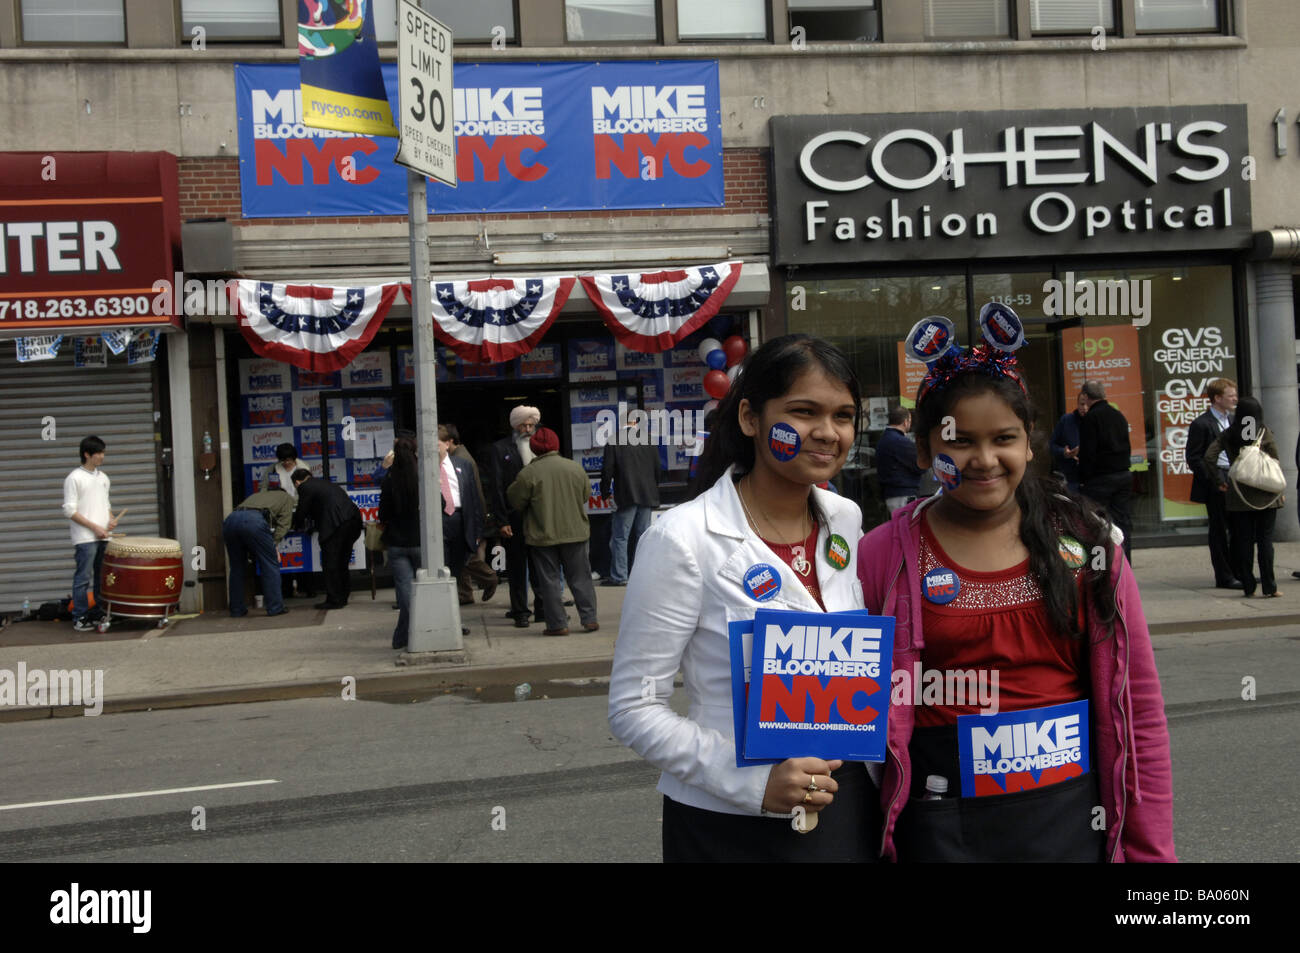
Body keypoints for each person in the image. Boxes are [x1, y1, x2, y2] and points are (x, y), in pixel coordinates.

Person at [857, 339, 1174, 862]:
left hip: (1069, 823)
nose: (984, 460)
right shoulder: (882, 555)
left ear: (1029, 444)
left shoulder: (1089, 544)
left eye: (1004, 438)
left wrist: (1150, 855)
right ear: (922, 450)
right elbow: (853, 713)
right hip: (938, 828)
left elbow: (1137, 712)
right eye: (959, 442)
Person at [608, 335, 876, 862]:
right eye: (803, 412)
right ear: (751, 418)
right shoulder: (681, 538)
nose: (827, 433)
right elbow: (634, 707)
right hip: (731, 824)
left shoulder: (846, 518)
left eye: (843, 416)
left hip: (847, 801)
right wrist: (753, 780)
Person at [507, 427, 599, 636]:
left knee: (549, 581)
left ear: (534, 448)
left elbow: (515, 500)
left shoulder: (528, 473)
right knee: (581, 578)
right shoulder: (575, 468)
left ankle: (558, 624)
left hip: (543, 535)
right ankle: (589, 618)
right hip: (575, 532)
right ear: (556, 446)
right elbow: (585, 496)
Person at [1203, 396, 1284, 598]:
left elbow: (1209, 456)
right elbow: (1274, 456)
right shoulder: (1263, 430)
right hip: (1266, 495)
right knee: (1265, 541)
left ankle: (1248, 586)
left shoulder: (1229, 432)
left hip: (1238, 496)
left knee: (1243, 541)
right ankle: (1269, 586)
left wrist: (1219, 480)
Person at [488, 405, 545, 628]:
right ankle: (520, 611)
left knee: (540, 566)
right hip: (514, 518)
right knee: (517, 567)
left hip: (539, 517)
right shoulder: (500, 448)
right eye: (524, 424)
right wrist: (501, 520)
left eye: (532, 425)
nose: (528, 429)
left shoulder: (541, 447)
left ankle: (542, 608)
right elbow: (496, 487)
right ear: (515, 425)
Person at [1185, 379, 1242, 589]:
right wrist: (1213, 480)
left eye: (1235, 395)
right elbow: (1193, 457)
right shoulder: (1202, 424)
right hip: (1216, 480)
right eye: (1230, 395)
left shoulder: (1234, 421)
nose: (1235, 399)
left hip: (1235, 477)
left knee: (1238, 528)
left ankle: (1239, 571)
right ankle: (1224, 575)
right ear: (1217, 398)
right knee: (1219, 529)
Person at [63, 435, 118, 632]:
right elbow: (69, 510)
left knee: (101, 579)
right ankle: (80, 617)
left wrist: (110, 520)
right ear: (87, 454)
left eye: (103, 453)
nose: (102, 457)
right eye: (98, 453)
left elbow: (106, 504)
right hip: (85, 539)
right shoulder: (74, 478)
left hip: (103, 536)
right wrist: (95, 527)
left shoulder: (103, 478)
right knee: (83, 578)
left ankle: (98, 613)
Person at [599, 422, 661, 585]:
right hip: (647, 495)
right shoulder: (648, 440)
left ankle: (620, 576)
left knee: (620, 537)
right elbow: (658, 469)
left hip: (626, 495)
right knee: (643, 537)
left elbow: (607, 470)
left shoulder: (615, 440)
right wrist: (655, 488)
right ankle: (643, 574)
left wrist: (605, 492)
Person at [1077, 380, 1134, 560]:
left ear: (1085, 396)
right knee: (1123, 523)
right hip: (1123, 474)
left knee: (1096, 525)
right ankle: (1125, 564)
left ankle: (1099, 566)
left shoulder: (1091, 419)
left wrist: (1083, 477)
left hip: (1100, 478)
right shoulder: (1118, 415)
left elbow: (1088, 453)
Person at [291, 469, 362, 610]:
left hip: (335, 524)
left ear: (297, 482)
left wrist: (295, 525)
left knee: (331, 563)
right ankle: (342, 596)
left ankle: (334, 600)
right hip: (353, 520)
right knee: (342, 562)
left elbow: (302, 511)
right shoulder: (324, 484)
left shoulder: (305, 487)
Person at [223, 479, 294, 618]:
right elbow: (284, 524)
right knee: (269, 564)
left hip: (231, 520)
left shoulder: (257, 495)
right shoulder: (286, 497)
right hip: (253, 520)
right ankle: (275, 607)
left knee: (236, 567)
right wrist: (274, 543)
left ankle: (236, 609)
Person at [446, 424, 498, 606]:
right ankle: (465, 593)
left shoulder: (459, 460)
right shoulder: (457, 457)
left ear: (450, 441)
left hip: (467, 514)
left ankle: (489, 577)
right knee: (462, 556)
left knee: (465, 556)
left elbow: (465, 492)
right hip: (470, 513)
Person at [379, 434, 420, 650]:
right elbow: (439, 504)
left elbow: (382, 514)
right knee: (425, 588)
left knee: (404, 591)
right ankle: (409, 633)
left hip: (396, 540)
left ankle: (402, 634)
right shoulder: (422, 477)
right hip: (420, 539)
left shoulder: (389, 480)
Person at [438, 424, 487, 588]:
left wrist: (478, 529)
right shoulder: (422, 468)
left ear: (447, 443)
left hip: (460, 519)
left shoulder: (462, 464)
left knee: (457, 567)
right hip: (439, 520)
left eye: (437, 444)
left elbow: (473, 497)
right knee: (441, 566)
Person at [273, 443, 317, 600]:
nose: (286, 463)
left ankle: (307, 587)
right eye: (283, 460)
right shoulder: (273, 470)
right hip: (282, 511)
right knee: (285, 552)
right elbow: (265, 488)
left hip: (301, 509)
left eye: (289, 460)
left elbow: (309, 491)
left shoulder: (304, 467)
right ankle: (286, 589)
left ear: (295, 458)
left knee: (304, 551)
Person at [875, 405, 926, 513]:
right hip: (904, 495)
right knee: (907, 527)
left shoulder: (884, 439)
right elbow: (921, 465)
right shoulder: (900, 442)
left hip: (893, 494)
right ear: (905, 422)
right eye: (910, 420)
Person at [1049, 392, 1088, 493]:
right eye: (1082, 404)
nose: (1085, 408)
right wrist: (1064, 452)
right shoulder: (1066, 420)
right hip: (1069, 478)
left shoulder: (1096, 422)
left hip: (1090, 480)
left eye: (1088, 404)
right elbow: (1052, 445)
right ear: (1077, 404)